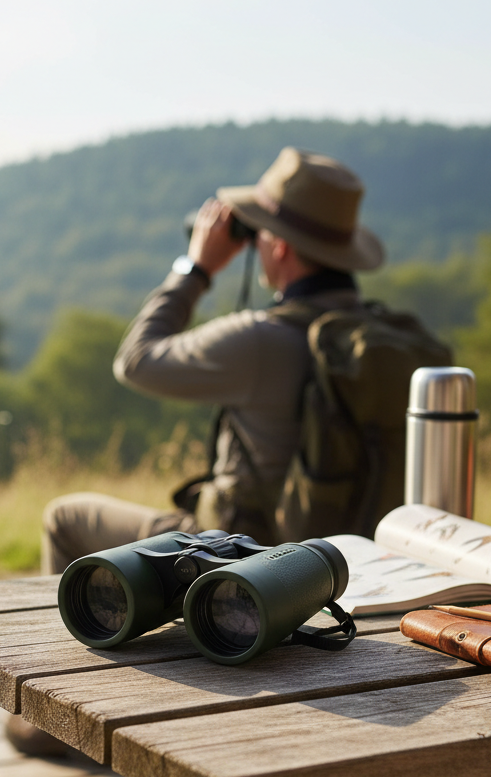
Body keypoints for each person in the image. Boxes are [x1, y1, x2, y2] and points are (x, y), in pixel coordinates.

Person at [40, 146, 386, 574]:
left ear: (279, 247)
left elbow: (134, 360)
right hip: (351, 560)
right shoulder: (383, 342)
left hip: (244, 557)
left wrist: (196, 268)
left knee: (65, 517)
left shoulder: (260, 339)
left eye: (259, 230)